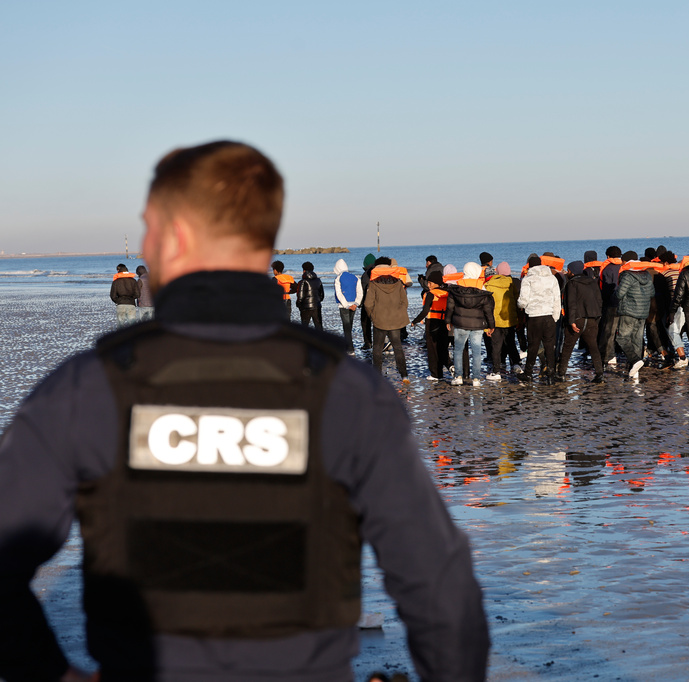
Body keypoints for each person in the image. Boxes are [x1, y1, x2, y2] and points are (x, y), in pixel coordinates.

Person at [0, 140, 489, 681]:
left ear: (176, 235)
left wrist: (49, 673)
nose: (143, 245)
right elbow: (440, 587)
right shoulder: (346, 392)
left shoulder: (87, 389)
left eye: (148, 229)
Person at [445, 262, 495, 386]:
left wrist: (448, 320)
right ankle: (476, 379)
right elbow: (488, 309)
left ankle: (458, 376)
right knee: (477, 351)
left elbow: (450, 306)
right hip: (477, 324)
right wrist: (491, 325)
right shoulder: (482, 288)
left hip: (460, 323)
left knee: (458, 350)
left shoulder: (457, 286)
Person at [555, 261, 604, 383]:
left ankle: (561, 373)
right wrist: (598, 317)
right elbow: (599, 300)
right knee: (593, 347)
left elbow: (570, 303)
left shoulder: (572, 283)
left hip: (577, 319)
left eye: (569, 270)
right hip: (592, 319)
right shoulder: (592, 281)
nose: (568, 272)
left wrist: (571, 321)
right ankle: (599, 373)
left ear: (572, 270)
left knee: (568, 347)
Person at [363, 256, 410, 381]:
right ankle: (404, 376)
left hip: (379, 320)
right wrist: (399, 313)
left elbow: (368, 304)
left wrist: (373, 316)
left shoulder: (373, 283)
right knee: (398, 347)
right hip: (395, 320)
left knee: (377, 349)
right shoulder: (398, 282)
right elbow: (405, 302)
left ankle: (377, 376)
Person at [517, 255, 561, 381]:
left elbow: (523, 301)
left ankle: (528, 373)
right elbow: (557, 299)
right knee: (549, 346)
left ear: (529, 266)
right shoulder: (552, 278)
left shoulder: (528, 279)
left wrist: (519, 304)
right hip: (549, 316)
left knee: (533, 346)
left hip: (534, 317)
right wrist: (555, 317)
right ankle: (551, 373)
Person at [614, 251, 654, 380]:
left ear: (626, 262)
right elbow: (652, 293)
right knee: (637, 340)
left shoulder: (627, 275)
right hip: (643, 312)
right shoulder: (647, 274)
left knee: (622, 338)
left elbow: (619, 294)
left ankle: (635, 361)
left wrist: (614, 293)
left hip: (628, 311)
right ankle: (635, 371)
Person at [410, 271, 452, 381]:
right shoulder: (447, 293)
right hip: (445, 323)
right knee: (443, 348)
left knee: (432, 350)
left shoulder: (430, 294)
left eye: (430, 283)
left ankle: (435, 374)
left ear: (434, 283)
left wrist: (415, 321)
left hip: (432, 323)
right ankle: (450, 365)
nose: (428, 285)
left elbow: (425, 311)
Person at [484, 261, 521, 379]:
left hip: (495, 321)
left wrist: (486, 326)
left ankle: (496, 371)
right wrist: (519, 318)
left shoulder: (489, 284)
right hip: (509, 319)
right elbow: (517, 301)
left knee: (496, 346)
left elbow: (486, 306)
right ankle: (516, 364)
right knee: (511, 343)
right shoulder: (512, 283)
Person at [332, 258, 362, 351]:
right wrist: (356, 303)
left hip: (343, 306)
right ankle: (349, 346)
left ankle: (349, 348)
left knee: (346, 327)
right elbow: (360, 292)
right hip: (354, 305)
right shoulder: (355, 277)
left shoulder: (338, 278)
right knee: (350, 326)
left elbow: (339, 293)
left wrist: (346, 305)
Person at [296, 261, 325, 330]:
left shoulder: (303, 281)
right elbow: (322, 295)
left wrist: (299, 304)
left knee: (304, 328)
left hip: (305, 307)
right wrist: (317, 301)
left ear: (304, 270)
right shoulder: (318, 280)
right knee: (319, 327)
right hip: (317, 306)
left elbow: (300, 296)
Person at [110, 263, 139, 327]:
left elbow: (112, 295)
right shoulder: (133, 281)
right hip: (131, 304)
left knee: (120, 325)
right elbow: (138, 294)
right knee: (132, 325)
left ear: (119, 271)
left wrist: (118, 301)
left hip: (120, 304)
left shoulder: (116, 282)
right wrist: (131, 298)